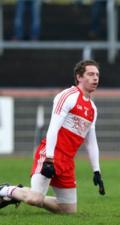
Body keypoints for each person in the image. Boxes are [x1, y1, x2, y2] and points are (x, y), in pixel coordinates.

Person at [0, 60, 105, 214]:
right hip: (51, 155)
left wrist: (97, 171)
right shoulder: (67, 96)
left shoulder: (92, 109)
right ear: (79, 77)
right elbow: (53, 128)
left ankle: (21, 193)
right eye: (90, 74)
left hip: (67, 162)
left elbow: (91, 141)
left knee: (68, 210)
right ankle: (6, 190)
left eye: (96, 75)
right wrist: (49, 158)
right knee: (34, 199)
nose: (95, 78)